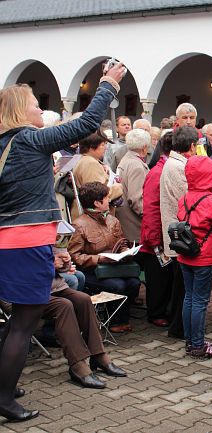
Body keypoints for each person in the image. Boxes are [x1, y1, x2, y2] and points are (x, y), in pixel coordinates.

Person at [0, 63, 123, 422]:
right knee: (24, 323)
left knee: (15, 321)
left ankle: (4, 385)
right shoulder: (27, 139)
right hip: (26, 243)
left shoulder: (8, 144)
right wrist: (107, 85)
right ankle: (5, 400)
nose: (41, 109)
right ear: (19, 112)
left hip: (13, 242)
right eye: (35, 105)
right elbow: (86, 126)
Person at [46, 250, 126, 389]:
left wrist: (64, 262)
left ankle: (98, 354)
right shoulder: (15, 238)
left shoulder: (45, 235)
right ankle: (77, 363)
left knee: (83, 299)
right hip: (25, 291)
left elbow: (61, 268)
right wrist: (48, 264)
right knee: (64, 305)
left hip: (52, 286)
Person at [68, 182, 140, 333]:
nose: (109, 200)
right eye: (107, 198)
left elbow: (121, 242)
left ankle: (121, 319)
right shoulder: (79, 225)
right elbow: (74, 256)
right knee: (118, 286)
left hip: (114, 268)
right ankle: (114, 321)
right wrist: (99, 259)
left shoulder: (112, 221)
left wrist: (126, 252)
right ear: (97, 203)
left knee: (134, 283)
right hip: (92, 272)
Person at [176, 156, 212, 358]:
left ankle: (190, 341)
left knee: (189, 298)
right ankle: (198, 344)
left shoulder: (185, 197)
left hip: (185, 254)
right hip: (204, 256)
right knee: (200, 301)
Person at [160, 126, 197, 338]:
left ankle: (178, 324)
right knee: (182, 285)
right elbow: (187, 196)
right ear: (191, 146)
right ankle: (178, 326)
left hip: (176, 230)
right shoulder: (177, 166)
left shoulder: (174, 162)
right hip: (179, 233)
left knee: (180, 283)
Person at [140, 131, 174, 327]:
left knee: (166, 276)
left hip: (163, 234)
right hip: (156, 236)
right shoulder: (158, 172)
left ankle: (163, 310)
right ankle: (156, 313)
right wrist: (154, 238)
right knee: (158, 278)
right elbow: (151, 207)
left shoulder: (165, 169)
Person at [72, 132, 124, 219]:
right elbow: (96, 194)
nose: (105, 148)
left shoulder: (86, 160)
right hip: (95, 217)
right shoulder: (90, 163)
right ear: (92, 147)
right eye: (103, 145)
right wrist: (118, 187)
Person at [116, 129, 150, 243]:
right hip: (133, 223)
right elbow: (136, 199)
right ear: (144, 147)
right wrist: (149, 218)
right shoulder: (136, 166)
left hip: (125, 218)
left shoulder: (126, 159)